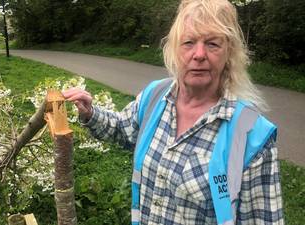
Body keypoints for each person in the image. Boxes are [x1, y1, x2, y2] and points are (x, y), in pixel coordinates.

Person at [63, 0, 284, 224]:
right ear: (175, 48)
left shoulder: (250, 134)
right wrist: (90, 113)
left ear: (229, 52)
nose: (199, 54)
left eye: (212, 44)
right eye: (189, 42)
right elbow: (123, 129)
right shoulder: (155, 96)